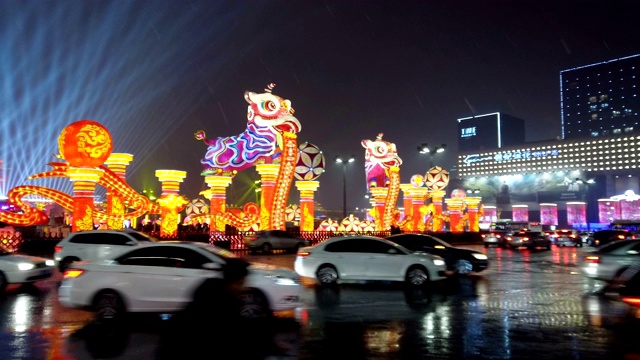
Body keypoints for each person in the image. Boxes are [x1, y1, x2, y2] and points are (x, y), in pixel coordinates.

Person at [156, 257, 281, 360]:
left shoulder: (222, 299)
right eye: (240, 283)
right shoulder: (219, 306)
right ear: (230, 283)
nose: (242, 288)